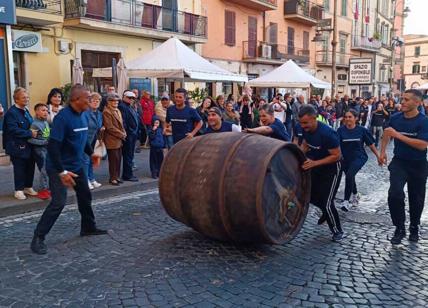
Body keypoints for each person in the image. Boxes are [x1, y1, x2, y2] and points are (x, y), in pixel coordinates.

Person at [31, 84, 107, 255]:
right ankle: (38, 237)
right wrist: (62, 172)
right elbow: (53, 148)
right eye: (87, 98)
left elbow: (83, 138)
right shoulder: (62, 118)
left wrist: (92, 153)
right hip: (59, 167)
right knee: (58, 202)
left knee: (85, 195)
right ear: (75, 100)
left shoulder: (84, 115)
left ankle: (88, 227)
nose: (90, 100)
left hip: (77, 165)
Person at [379, 89, 428, 244]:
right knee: (395, 194)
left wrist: (399, 135)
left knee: (417, 198)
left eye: (407, 100)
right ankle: (399, 227)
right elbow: (387, 133)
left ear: (417, 103)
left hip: (418, 164)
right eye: (402, 99)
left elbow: (422, 145)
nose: (403, 102)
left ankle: (414, 226)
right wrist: (382, 152)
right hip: (399, 162)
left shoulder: (424, 121)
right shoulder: (395, 118)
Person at [298, 105, 344, 241]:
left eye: (305, 123)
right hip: (316, 165)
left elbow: (337, 155)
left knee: (327, 202)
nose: (302, 126)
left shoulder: (328, 134)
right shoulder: (305, 129)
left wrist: (314, 163)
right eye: (301, 122)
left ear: (314, 118)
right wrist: (298, 155)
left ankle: (337, 231)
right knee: (309, 196)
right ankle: (326, 211)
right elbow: (306, 144)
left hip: (332, 169)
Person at [337, 110, 381, 211]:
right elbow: (336, 145)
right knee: (350, 176)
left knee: (349, 175)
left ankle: (346, 202)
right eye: (346, 117)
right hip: (345, 158)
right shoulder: (340, 130)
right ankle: (356, 194)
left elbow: (371, 144)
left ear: (356, 118)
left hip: (359, 157)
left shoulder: (362, 130)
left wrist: (378, 156)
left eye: (350, 117)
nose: (347, 119)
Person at [2, 87, 38, 200]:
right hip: (16, 145)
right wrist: (29, 133)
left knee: (30, 166)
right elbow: (13, 130)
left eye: (27, 97)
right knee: (20, 168)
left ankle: (28, 186)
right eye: (23, 97)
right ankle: (18, 190)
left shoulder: (26, 110)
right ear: (16, 99)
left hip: (29, 144)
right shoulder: (11, 113)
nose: (26, 99)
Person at [28, 103, 51, 200]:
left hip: (47, 150)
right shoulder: (34, 124)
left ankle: (48, 188)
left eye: (46, 110)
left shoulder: (45, 122)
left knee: (48, 170)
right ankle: (43, 190)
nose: (46, 112)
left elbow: (46, 133)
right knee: (44, 171)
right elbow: (30, 139)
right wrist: (44, 142)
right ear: (37, 112)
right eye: (43, 110)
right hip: (39, 151)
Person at [103, 93, 126, 186]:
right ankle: (112, 178)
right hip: (112, 139)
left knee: (118, 159)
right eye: (113, 101)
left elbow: (121, 124)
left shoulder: (117, 110)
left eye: (117, 101)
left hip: (119, 139)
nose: (116, 102)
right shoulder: (106, 112)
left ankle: (117, 176)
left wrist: (124, 132)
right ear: (108, 102)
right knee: (113, 160)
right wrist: (121, 134)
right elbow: (110, 127)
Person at [83, 92, 103, 190]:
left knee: (90, 160)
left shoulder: (99, 113)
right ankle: (85, 179)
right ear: (89, 102)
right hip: (85, 140)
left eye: (98, 101)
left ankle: (91, 179)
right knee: (85, 160)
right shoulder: (86, 112)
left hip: (94, 140)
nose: (96, 102)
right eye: (93, 101)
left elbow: (98, 126)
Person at [119, 90, 139, 182]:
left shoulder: (128, 106)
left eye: (133, 98)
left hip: (132, 134)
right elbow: (124, 122)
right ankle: (127, 175)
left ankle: (128, 174)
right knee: (128, 155)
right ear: (124, 97)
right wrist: (129, 132)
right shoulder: (123, 106)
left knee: (130, 155)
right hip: (129, 135)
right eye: (129, 98)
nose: (131, 99)